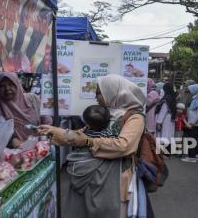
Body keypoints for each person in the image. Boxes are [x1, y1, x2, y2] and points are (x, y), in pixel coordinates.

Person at [39, 74, 149, 218]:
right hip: (86, 176)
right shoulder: (103, 113)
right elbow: (81, 135)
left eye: (99, 92)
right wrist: (56, 131)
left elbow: (124, 146)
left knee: (107, 212)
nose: (96, 97)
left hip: (113, 178)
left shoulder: (135, 117)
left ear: (113, 91)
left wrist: (88, 142)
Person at [0, 72, 41, 148]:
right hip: (8, 155)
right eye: (2, 86)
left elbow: (48, 123)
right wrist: (10, 139)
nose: (7, 89)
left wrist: (42, 141)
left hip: (39, 150)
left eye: (11, 84)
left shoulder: (33, 100)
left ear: (17, 84)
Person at [182, 84, 198, 163]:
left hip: (194, 124)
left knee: (192, 140)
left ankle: (191, 157)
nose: (190, 92)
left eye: (191, 90)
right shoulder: (197, 98)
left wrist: (192, 123)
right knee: (195, 139)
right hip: (195, 123)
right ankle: (196, 155)